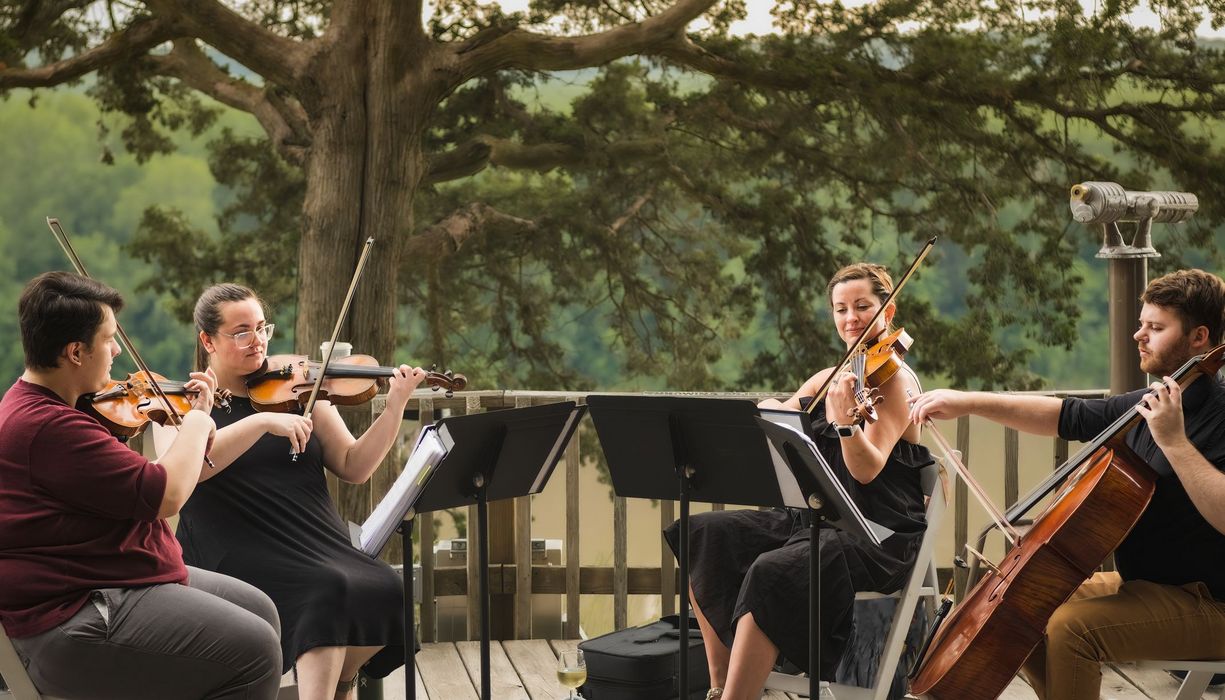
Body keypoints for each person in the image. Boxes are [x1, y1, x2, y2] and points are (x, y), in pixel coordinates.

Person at [908, 268, 1225, 700]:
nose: (1139, 335)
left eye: (1155, 327)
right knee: (1026, 601)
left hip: (1209, 602)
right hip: (1148, 585)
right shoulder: (1153, 403)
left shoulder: (1216, 416)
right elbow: (1065, 415)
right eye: (1140, 324)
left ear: (1199, 338)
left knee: (1071, 630)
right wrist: (966, 402)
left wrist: (1174, 442)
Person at [0, 271, 283, 699]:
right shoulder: (50, 427)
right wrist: (199, 419)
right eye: (109, 338)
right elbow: (164, 493)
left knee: (261, 609)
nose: (117, 351)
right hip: (72, 621)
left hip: (105, 580)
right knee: (256, 650)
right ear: (76, 352)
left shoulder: (47, 406)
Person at [665, 263, 933, 700]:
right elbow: (773, 421)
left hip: (874, 532)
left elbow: (867, 469)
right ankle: (720, 686)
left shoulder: (896, 382)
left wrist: (846, 426)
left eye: (863, 306)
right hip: (813, 517)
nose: (851, 318)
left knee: (772, 571)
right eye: (841, 309)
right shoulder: (827, 380)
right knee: (705, 535)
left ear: (889, 309)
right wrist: (777, 409)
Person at [161, 283, 427, 700]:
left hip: (313, 538)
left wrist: (394, 407)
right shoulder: (184, 406)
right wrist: (261, 424)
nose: (259, 340)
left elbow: (354, 465)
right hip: (232, 547)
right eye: (242, 332)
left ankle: (340, 687)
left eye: (263, 327)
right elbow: (191, 472)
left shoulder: (297, 391)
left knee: (386, 586)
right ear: (207, 340)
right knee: (326, 591)